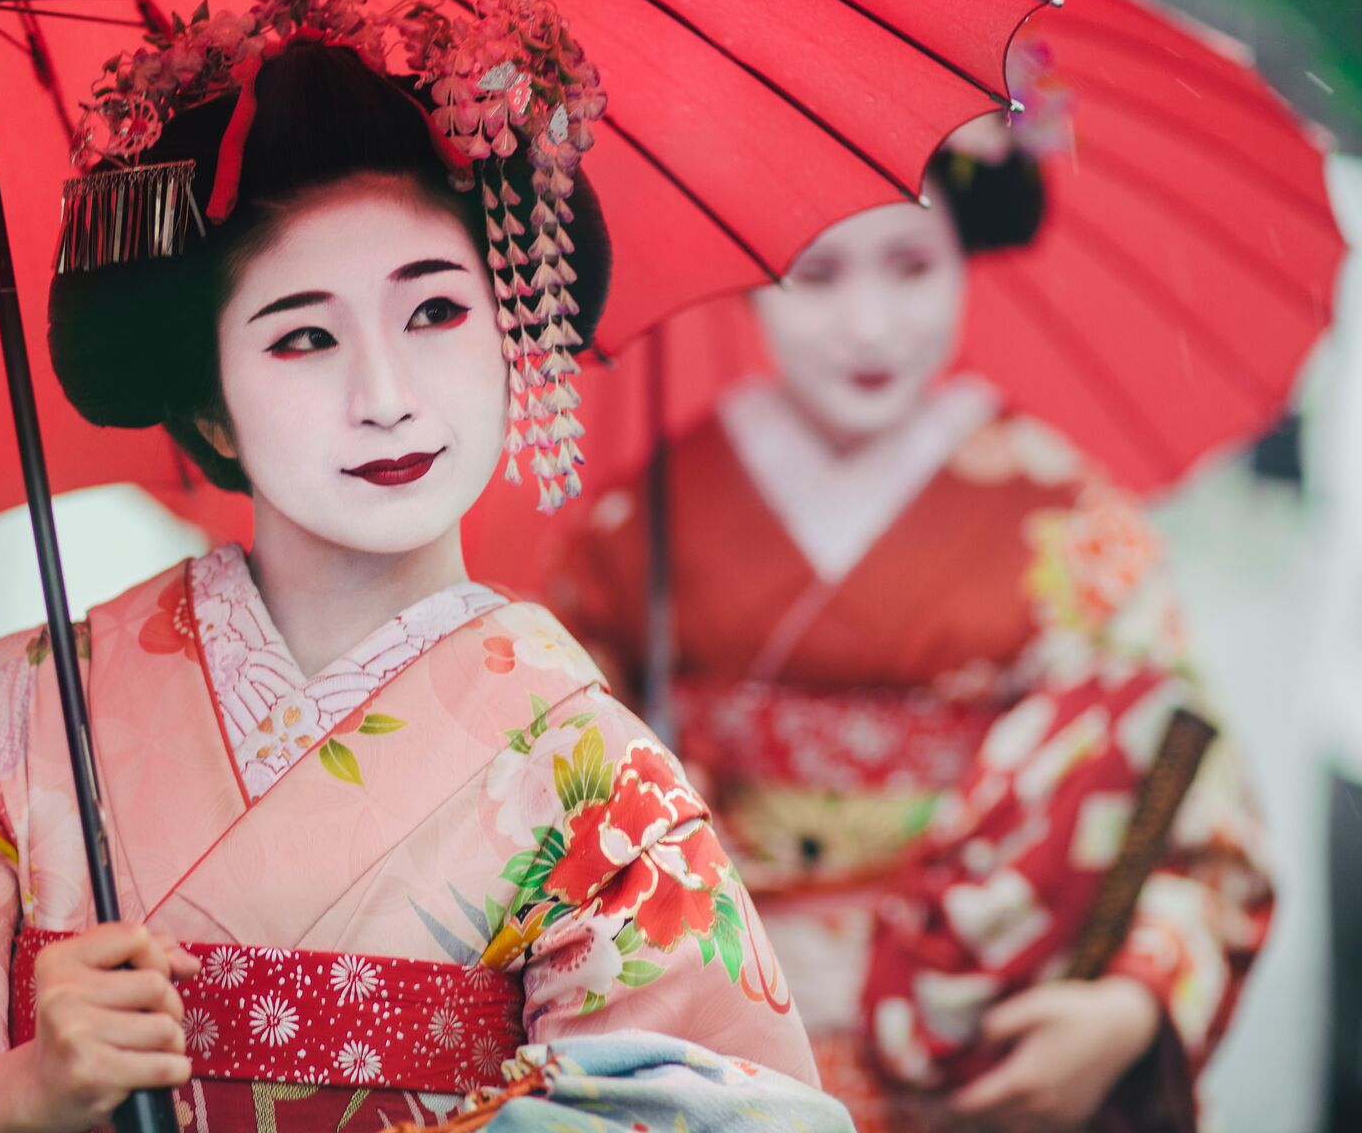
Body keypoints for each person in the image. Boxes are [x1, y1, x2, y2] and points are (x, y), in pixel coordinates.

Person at [0, 0, 844, 1132]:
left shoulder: (597, 781)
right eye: (304, 336)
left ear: (514, 334)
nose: (385, 396)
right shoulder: (19, 724)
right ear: (210, 406)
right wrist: (24, 1088)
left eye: (435, 313)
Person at [545, 126, 1273, 1131]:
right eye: (820, 273)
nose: (870, 322)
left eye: (911, 264)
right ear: (750, 274)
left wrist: (1128, 1003)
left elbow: (1189, 785)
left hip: (979, 1022)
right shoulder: (645, 521)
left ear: (967, 258)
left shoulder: (1061, 515)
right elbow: (552, 788)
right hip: (710, 1024)